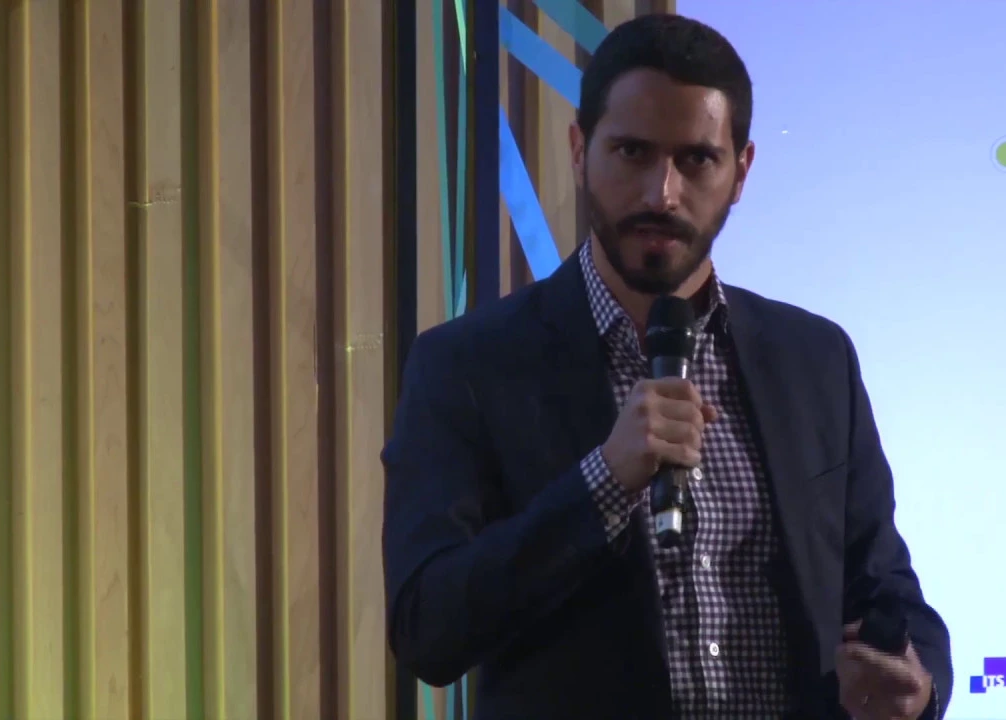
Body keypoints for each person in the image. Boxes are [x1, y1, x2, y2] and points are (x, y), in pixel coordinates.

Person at [382, 13, 951, 720]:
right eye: (632, 152)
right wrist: (604, 480)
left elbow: (885, 588)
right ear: (579, 150)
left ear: (741, 171)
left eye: (697, 160)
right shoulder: (468, 364)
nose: (662, 194)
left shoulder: (815, 358)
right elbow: (427, 628)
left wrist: (917, 686)